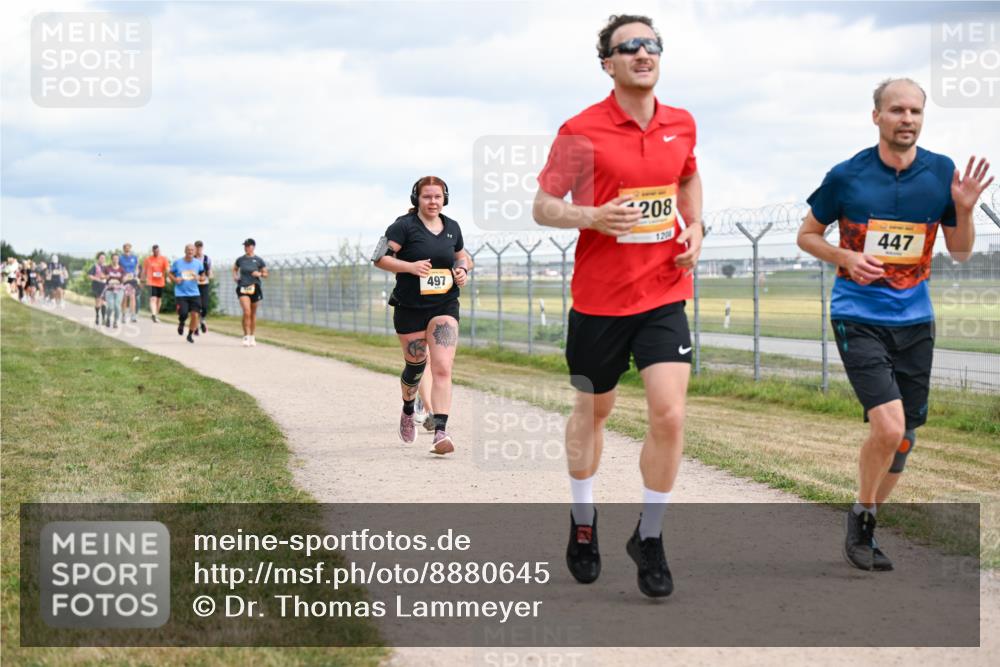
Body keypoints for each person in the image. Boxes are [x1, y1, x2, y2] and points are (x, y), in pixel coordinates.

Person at [532, 14, 703, 598]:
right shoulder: (581, 129)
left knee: (670, 414)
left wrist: (696, 226)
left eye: (651, 44)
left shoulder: (681, 123)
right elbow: (543, 205)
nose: (642, 53)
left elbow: (688, 179)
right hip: (600, 301)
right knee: (593, 411)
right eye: (628, 46)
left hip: (663, 294)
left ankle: (649, 536)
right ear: (607, 62)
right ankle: (584, 521)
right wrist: (592, 216)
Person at [797, 78, 992, 572]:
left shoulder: (940, 172)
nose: (907, 119)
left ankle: (866, 517)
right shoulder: (847, 176)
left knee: (904, 439)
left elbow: (962, 250)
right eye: (897, 110)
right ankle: (862, 519)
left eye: (915, 112)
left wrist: (964, 211)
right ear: (876, 116)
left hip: (916, 320)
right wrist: (844, 254)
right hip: (857, 315)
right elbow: (807, 235)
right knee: (889, 426)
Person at [373, 176, 473, 455]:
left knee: (442, 367)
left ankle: (440, 431)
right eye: (427, 197)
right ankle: (408, 409)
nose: (433, 202)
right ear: (416, 198)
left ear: (445, 199)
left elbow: (462, 256)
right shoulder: (402, 226)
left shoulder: (452, 227)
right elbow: (379, 258)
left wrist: (463, 270)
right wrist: (410, 267)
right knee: (415, 367)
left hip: (445, 305)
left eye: (438, 197)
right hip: (410, 308)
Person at [232, 238, 267, 347]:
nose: (246, 247)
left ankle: (252, 336)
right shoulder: (240, 259)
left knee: (252, 314)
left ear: (253, 247)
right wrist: (235, 276)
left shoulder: (259, 260)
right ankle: (246, 336)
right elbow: (234, 269)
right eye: (245, 246)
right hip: (243, 287)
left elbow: (266, 274)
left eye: (248, 246)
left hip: (255, 288)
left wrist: (260, 274)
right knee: (246, 311)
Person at [170, 244, 206, 343]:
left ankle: (190, 334)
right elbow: (170, 273)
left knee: (195, 315)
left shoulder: (198, 263)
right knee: (184, 313)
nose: (190, 252)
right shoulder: (178, 262)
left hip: (194, 293)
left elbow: (203, 276)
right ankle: (181, 322)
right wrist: (175, 279)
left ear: (194, 252)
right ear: (185, 251)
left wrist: (198, 277)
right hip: (181, 293)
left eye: (192, 250)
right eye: (188, 250)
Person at [141, 244, 170, 322]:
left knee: (159, 300)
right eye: (155, 251)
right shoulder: (148, 259)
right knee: (153, 298)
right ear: (152, 251)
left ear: (159, 251)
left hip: (160, 282)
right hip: (151, 282)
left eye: (157, 251)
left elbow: (167, 269)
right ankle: (153, 314)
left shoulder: (164, 259)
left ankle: (156, 314)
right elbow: (144, 271)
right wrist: (142, 281)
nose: (156, 252)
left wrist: (168, 277)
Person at [193, 240, 213, 334]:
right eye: (197, 247)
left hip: (204, 284)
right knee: (196, 306)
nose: (198, 249)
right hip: (193, 285)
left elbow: (209, 271)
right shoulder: (191, 259)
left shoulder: (207, 259)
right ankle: (196, 327)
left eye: (200, 247)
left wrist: (210, 275)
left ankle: (202, 320)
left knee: (204, 306)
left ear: (202, 248)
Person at [103, 253, 126, 328]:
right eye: (114, 259)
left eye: (117, 259)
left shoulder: (121, 269)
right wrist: (106, 276)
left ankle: (115, 321)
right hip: (109, 290)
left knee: (117, 306)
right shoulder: (107, 268)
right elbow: (101, 276)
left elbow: (124, 279)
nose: (115, 260)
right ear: (112, 259)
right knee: (110, 307)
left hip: (119, 290)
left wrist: (125, 278)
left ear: (118, 260)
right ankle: (108, 319)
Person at [120, 242, 140, 323]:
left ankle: (133, 315)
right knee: (124, 298)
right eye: (126, 248)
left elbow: (137, 268)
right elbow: (118, 268)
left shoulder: (134, 257)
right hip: (124, 279)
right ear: (124, 249)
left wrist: (135, 275)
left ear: (130, 249)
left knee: (132, 297)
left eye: (129, 248)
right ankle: (123, 315)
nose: (127, 250)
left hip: (132, 279)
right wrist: (123, 276)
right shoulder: (120, 258)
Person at [87, 253, 108, 325]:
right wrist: (97, 278)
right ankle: (97, 316)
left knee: (104, 303)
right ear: (98, 259)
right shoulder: (95, 266)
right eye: (101, 258)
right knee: (98, 302)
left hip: (105, 286)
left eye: (104, 258)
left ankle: (103, 318)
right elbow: (89, 276)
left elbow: (109, 275)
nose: (103, 259)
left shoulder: (106, 267)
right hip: (96, 286)